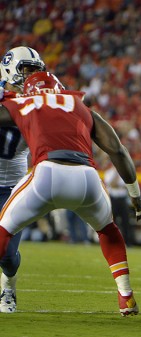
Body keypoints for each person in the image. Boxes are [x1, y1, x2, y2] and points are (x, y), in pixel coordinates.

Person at [0, 71, 141, 316]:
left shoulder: (25, 101)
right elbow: (117, 150)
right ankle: (126, 296)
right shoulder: (79, 105)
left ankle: (7, 289)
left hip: (47, 175)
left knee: (4, 231)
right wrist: (135, 194)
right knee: (108, 230)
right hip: (86, 178)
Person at [0, 46, 45, 313]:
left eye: (35, 70)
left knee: (6, 254)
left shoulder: (40, 99)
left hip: (14, 187)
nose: (31, 76)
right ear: (9, 68)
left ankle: (9, 287)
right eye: (26, 69)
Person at [104, 163, 133, 246]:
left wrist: (116, 185)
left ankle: (127, 241)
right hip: (113, 198)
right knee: (113, 221)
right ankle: (112, 241)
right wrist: (116, 175)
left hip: (122, 199)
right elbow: (111, 184)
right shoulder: (108, 172)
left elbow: (127, 186)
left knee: (126, 221)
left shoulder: (124, 172)